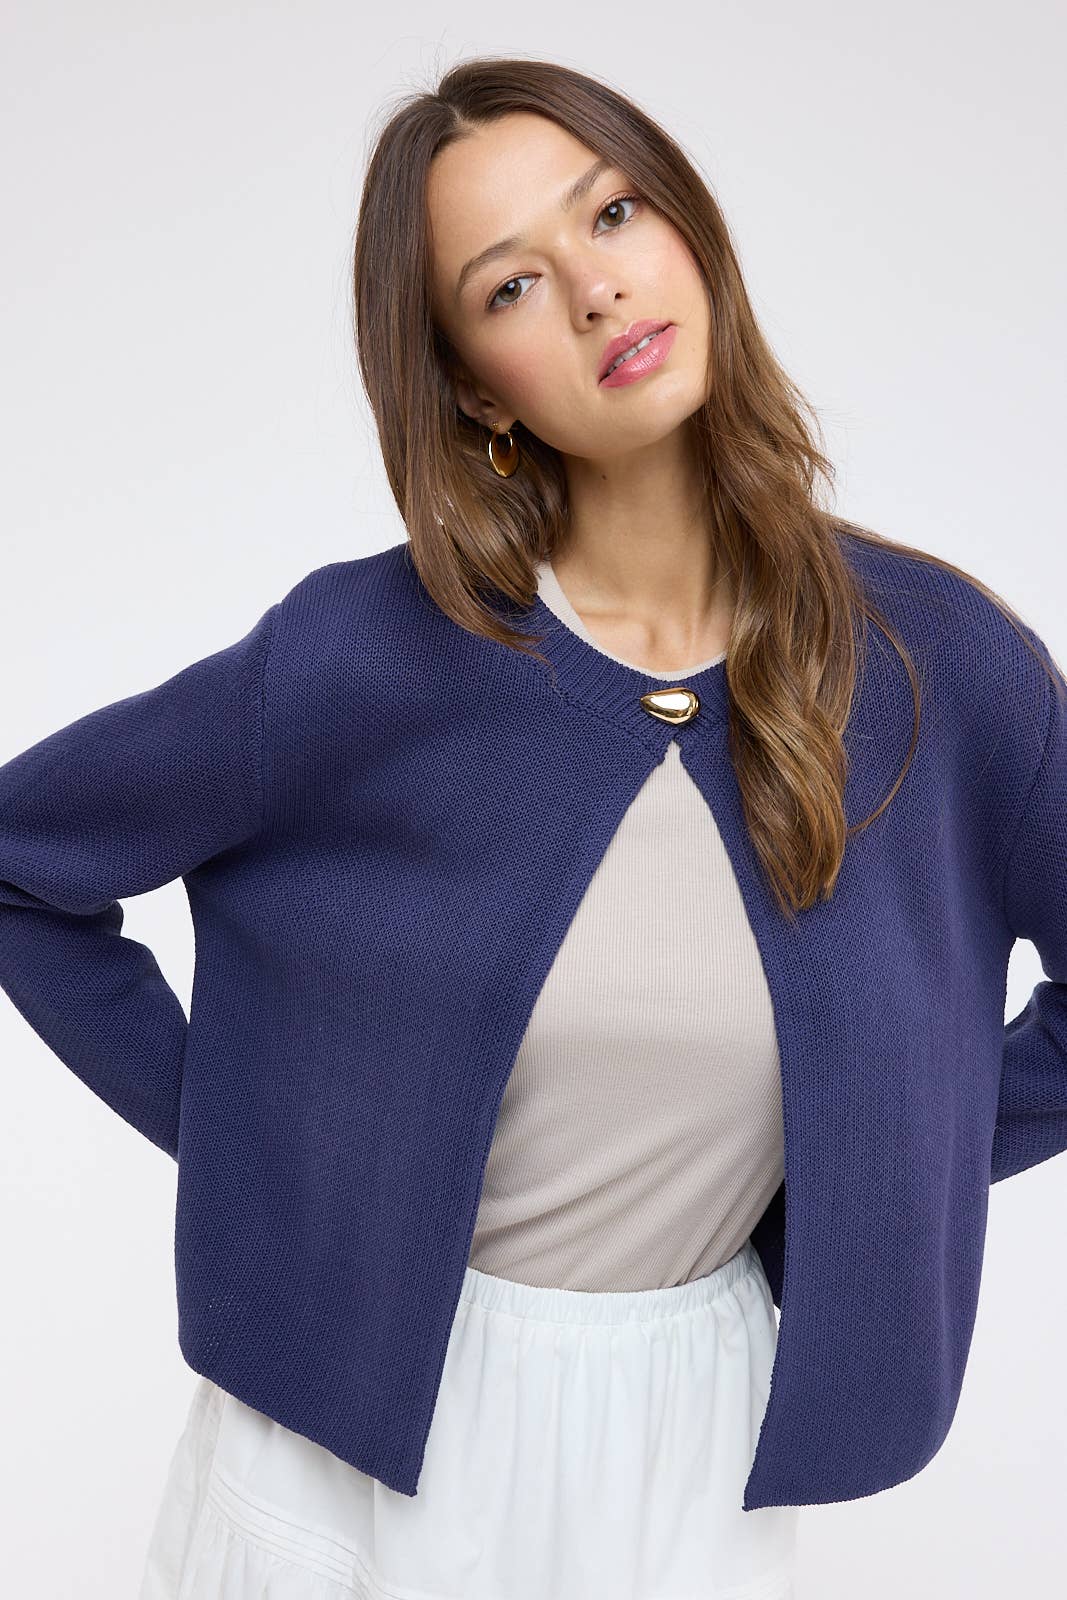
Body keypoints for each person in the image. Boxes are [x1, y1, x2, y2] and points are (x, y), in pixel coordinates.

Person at [2, 55, 1064, 1600]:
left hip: (693, 1443)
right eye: (510, 285)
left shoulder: (943, 668)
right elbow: (23, 863)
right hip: (338, 1451)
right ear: (475, 389)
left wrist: (894, 1156)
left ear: (687, 229)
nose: (594, 288)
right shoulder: (361, 657)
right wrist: (266, 1146)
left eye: (613, 213)